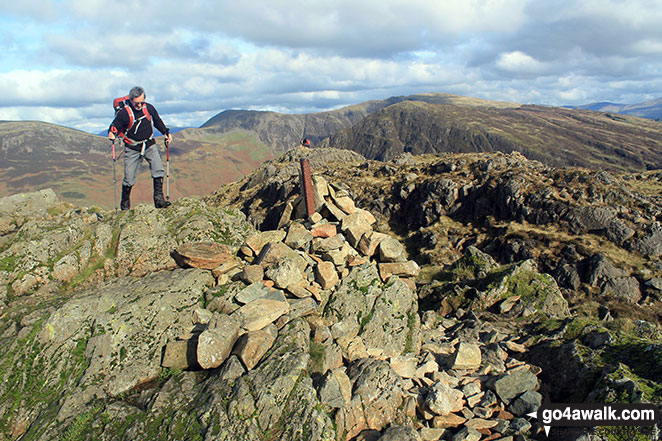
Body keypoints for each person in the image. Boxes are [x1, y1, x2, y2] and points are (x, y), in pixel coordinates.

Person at [108, 86, 172, 209]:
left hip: (149, 144)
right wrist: (112, 134)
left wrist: (166, 133)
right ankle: (125, 205)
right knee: (129, 178)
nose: (139, 105)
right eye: (137, 103)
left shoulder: (149, 108)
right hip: (132, 147)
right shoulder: (124, 113)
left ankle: (159, 201)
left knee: (158, 169)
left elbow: (157, 121)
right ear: (131, 100)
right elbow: (114, 126)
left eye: (142, 102)